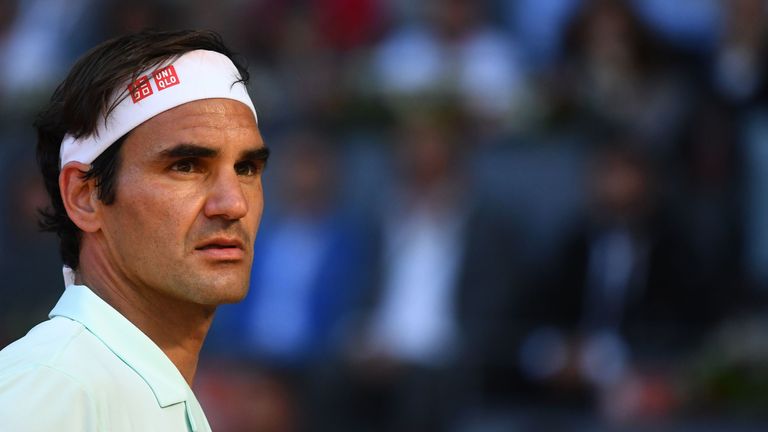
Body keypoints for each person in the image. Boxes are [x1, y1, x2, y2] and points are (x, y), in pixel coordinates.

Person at [0, 29, 269, 431]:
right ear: (84, 196)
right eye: (186, 166)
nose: (233, 204)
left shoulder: (102, 386)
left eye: (246, 168)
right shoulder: (54, 389)